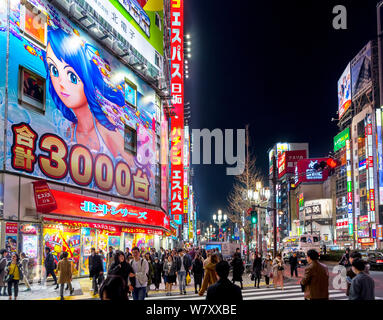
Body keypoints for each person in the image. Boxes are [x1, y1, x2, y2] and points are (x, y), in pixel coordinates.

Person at [43, 27, 135, 166]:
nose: (61, 84)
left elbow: (132, 170)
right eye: (54, 70)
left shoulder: (105, 128)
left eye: (72, 76)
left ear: (86, 79)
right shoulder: (70, 130)